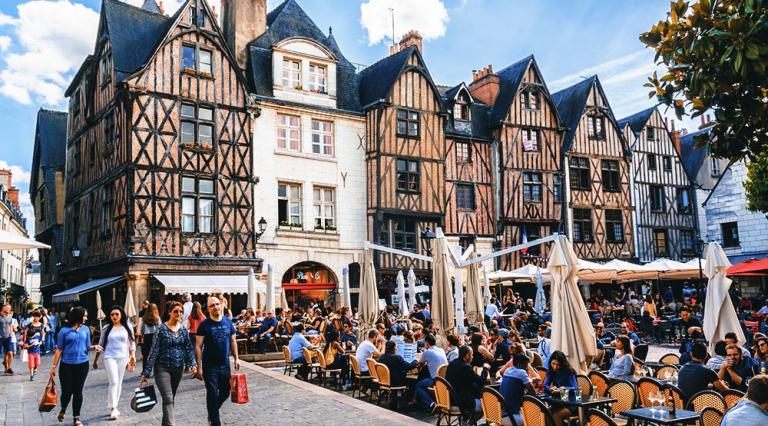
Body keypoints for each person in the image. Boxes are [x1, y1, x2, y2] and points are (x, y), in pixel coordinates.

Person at [141, 301, 197, 426]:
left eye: (181, 311)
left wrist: (193, 364)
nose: (179, 313)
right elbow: (154, 350)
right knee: (167, 398)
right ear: (170, 312)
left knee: (170, 399)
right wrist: (147, 372)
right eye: (176, 311)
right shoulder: (161, 329)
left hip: (178, 368)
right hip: (162, 368)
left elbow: (188, 348)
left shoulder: (183, 330)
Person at [194, 295, 240, 426]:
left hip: (225, 364)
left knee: (226, 391)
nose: (215, 307)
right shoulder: (204, 325)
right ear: (208, 309)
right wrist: (199, 366)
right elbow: (198, 346)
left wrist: (237, 358)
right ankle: (215, 421)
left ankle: (212, 412)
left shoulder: (228, 322)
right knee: (212, 392)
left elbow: (233, 340)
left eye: (217, 304)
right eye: (212, 305)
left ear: (221, 305)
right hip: (210, 365)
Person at [50, 306, 95, 426]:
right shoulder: (64, 331)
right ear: (78, 316)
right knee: (67, 391)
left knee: (78, 391)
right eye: (84, 315)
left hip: (82, 364)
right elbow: (59, 349)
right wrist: (53, 367)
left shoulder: (85, 329)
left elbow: (87, 346)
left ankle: (76, 417)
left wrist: (95, 347)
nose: (86, 317)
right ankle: (63, 408)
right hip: (66, 366)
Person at [93, 306, 136, 420]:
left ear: (121, 314)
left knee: (119, 383)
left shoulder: (128, 327)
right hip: (109, 357)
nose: (114, 316)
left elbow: (132, 343)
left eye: (116, 314)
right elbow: (101, 343)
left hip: (123, 357)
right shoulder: (107, 327)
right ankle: (113, 408)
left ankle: (114, 405)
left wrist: (132, 356)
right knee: (114, 382)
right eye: (112, 314)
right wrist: (96, 359)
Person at [445, 345, 488, 414]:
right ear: (467, 355)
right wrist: (485, 369)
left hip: (450, 399)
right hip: (462, 402)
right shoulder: (466, 367)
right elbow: (481, 381)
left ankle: (467, 421)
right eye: (472, 355)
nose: (472, 357)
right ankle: (469, 422)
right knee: (487, 405)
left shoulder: (451, 364)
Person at [378, 340, 419, 407]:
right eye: (396, 347)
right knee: (413, 381)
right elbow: (409, 366)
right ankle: (408, 402)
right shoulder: (396, 358)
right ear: (393, 348)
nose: (396, 348)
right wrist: (416, 360)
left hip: (384, 382)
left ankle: (397, 398)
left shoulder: (381, 358)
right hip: (395, 382)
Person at [499, 354, 536, 426]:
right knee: (539, 417)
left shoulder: (507, 370)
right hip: (512, 418)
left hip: (500, 415)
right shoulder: (522, 372)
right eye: (526, 366)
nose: (527, 368)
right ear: (519, 364)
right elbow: (533, 393)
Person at [543, 351, 578, 425]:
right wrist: (550, 388)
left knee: (556, 415)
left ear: (563, 364)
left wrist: (564, 389)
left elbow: (575, 388)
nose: (555, 367)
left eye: (558, 365)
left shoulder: (569, 371)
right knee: (546, 414)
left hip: (573, 403)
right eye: (553, 364)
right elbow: (545, 386)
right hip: (560, 402)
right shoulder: (551, 371)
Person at [414, 333, 448, 412]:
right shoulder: (441, 350)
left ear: (427, 343)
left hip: (435, 380)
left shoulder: (427, 352)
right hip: (445, 379)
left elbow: (420, 363)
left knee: (418, 385)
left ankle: (431, 403)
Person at [23, 310, 45, 381]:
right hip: (30, 343)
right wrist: (25, 340)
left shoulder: (41, 325)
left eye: (37, 317)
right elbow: (25, 332)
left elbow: (43, 333)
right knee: (31, 360)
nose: (35, 318)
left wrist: (41, 341)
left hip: (37, 344)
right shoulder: (30, 324)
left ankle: (35, 369)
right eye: (34, 316)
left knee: (37, 362)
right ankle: (31, 375)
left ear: (39, 317)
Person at [1, 304, 16, 375]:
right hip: (0, 338)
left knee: (10, 352)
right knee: (5, 353)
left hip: (8, 337)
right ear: (4, 308)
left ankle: (9, 368)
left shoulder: (10, 316)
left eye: (10, 308)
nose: (9, 309)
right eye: (8, 308)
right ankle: (6, 367)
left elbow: (10, 325)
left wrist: (10, 333)